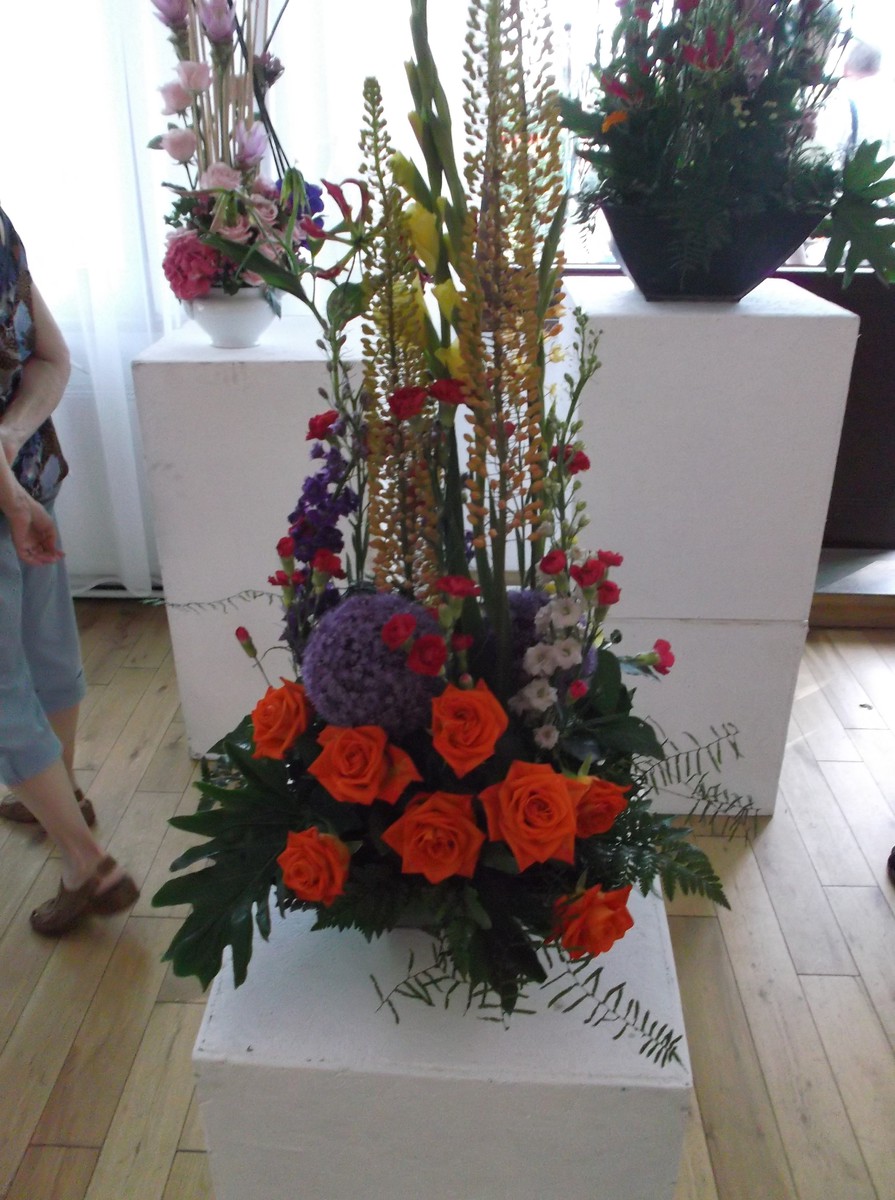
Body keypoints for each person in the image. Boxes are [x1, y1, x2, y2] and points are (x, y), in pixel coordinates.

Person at [0, 205, 138, 934]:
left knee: (2, 690)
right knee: (46, 648)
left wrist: (8, 490)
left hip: (18, 492)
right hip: (31, 475)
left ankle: (86, 863)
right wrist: (11, 443)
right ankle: (59, 792)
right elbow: (51, 358)